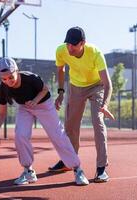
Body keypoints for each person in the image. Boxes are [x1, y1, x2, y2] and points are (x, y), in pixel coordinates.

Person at [0, 57, 89, 186]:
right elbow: (2, 113)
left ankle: (78, 170)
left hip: (43, 104)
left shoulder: (30, 78)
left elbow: (45, 89)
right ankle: (28, 171)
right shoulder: (3, 89)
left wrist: (35, 101)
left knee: (57, 135)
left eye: (11, 77)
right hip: (25, 107)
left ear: (17, 70)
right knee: (20, 135)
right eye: (4, 79)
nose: (8, 81)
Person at [48, 26, 113, 183]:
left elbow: (108, 84)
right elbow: (61, 70)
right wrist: (61, 93)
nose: (69, 48)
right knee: (70, 126)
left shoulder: (95, 53)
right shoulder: (61, 50)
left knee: (98, 122)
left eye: (73, 45)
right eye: (68, 44)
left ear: (82, 43)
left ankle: (101, 169)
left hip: (96, 86)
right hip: (76, 87)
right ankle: (68, 161)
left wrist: (105, 105)